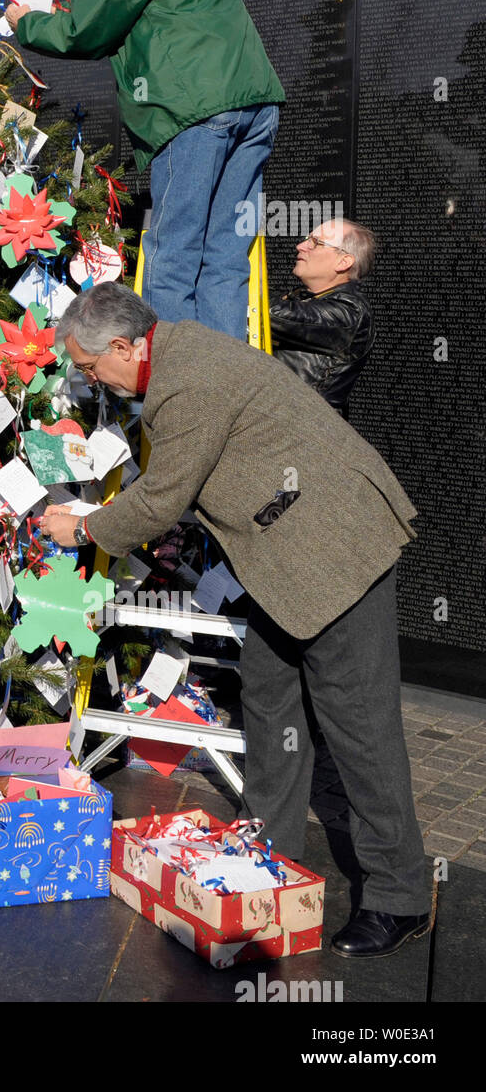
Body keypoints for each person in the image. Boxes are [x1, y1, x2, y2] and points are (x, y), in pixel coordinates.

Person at [41, 282, 428, 958]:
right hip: (285, 557)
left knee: (357, 727)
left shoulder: (183, 385)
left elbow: (161, 497)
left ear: (127, 347)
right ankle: (268, 845)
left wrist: (83, 528)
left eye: (88, 364)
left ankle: (399, 899)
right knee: (269, 696)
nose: (86, 377)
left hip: (336, 550)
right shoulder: (177, 355)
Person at [4, 0, 284, 342]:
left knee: (172, 255)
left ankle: (169, 392)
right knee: (224, 257)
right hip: (255, 108)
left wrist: (25, 21)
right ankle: (223, 394)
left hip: (191, 112)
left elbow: (86, 29)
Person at [270, 216, 376, 419]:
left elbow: (272, 314)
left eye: (316, 243)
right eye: (306, 239)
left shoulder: (350, 311)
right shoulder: (301, 297)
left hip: (303, 431)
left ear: (343, 261)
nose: (301, 246)